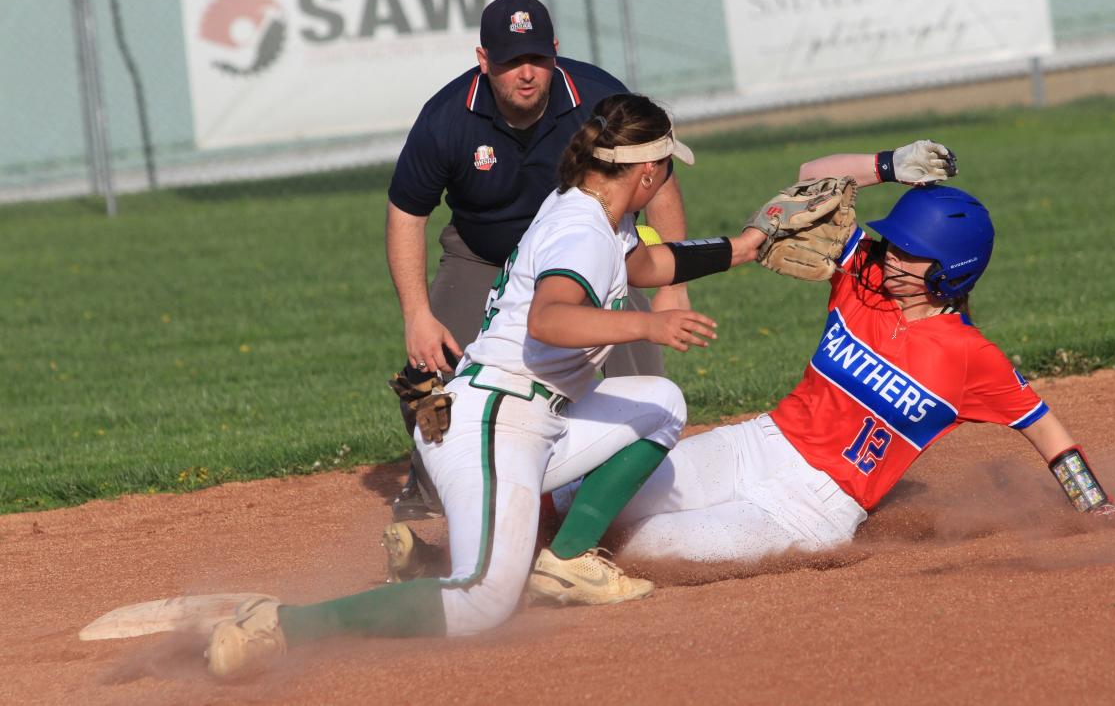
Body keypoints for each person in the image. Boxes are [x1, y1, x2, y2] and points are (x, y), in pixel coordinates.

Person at [203, 94, 771, 679]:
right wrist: (650, 323)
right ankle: (280, 626)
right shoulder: (582, 230)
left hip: (530, 418)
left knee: (660, 403)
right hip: (492, 425)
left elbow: (644, 266)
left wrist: (742, 249)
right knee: (484, 601)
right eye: (667, 166)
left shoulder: (601, 211)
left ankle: (566, 563)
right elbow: (549, 319)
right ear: (648, 172)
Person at [566, 151, 1115, 564]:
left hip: (812, 507)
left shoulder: (972, 358)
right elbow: (815, 175)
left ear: (954, 270)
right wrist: (890, 164)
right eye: (894, 245)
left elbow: (1046, 430)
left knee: (645, 545)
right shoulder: (865, 277)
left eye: (911, 255)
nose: (893, 258)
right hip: (758, 443)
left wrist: (1095, 506)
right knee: (594, 499)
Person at [386, 0, 691, 521]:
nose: (525, 73)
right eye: (509, 61)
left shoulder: (598, 98)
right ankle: (432, 489)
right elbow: (407, 213)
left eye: (537, 58)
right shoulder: (446, 119)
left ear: (554, 51)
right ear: (483, 61)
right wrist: (417, 314)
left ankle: (621, 494)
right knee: (431, 371)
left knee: (641, 385)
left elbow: (659, 181)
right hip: (483, 254)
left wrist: (673, 284)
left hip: (601, 256)